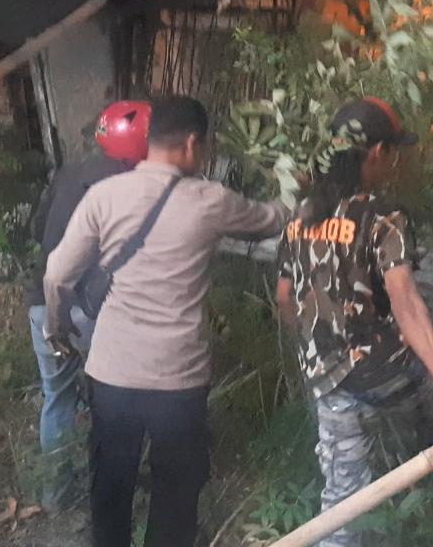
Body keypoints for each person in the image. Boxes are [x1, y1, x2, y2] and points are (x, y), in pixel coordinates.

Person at [43, 95, 290, 547]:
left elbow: (57, 274)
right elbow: (274, 218)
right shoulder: (211, 200)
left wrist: (57, 329)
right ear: (193, 143)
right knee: (176, 496)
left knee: (110, 488)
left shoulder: (104, 196)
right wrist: (299, 187)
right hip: (178, 378)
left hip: (113, 373)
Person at [274, 97, 433, 547]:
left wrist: (317, 351)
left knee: (343, 504)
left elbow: (285, 298)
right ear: (377, 152)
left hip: (327, 379)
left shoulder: (302, 213)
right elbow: (407, 303)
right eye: (394, 152)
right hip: (387, 376)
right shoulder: (384, 215)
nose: (396, 162)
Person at [26, 100, 152, 511]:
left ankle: (55, 494)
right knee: (116, 400)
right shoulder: (135, 187)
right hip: (96, 309)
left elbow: (37, 229)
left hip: (44, 304)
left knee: (57, 397)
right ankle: (113, 493)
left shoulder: (68, 173)